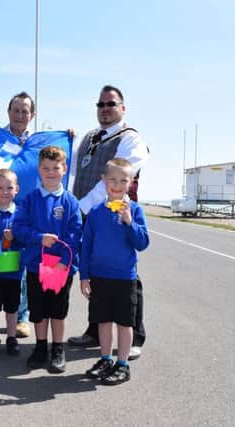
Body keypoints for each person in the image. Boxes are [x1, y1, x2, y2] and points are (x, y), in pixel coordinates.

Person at [68, 85, 150, 360]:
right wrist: (69, 141)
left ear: (122, 108)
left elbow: (115, 179)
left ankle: (135, 335)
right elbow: (74, 169)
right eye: (100, 104)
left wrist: (81, 206)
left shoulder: (131, 139)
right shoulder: (89, 137)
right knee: (97, 272)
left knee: (127, 276)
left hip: (115, 214)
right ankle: (95, 331)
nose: (105, 109)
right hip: (87, 214)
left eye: (111, 104)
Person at [13, 146, 82, 373]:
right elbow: (19, 228)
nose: (51, 172)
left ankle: (58, 348)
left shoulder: (71, 202)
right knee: (39, 310)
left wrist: (65, 262)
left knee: (58, 310)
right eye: (45, 168)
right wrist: (39, 238)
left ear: (64, 170)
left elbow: (74, 234)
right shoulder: (31, 199)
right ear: (39, 170)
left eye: (56, 168)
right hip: (36, 265)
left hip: (61, 268)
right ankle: (41, 347)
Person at [81, 158, 149, 385]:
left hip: (124, 278)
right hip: (100, 277)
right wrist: (84, 276)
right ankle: (105, 358)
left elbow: (142, 243)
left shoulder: (135, 210)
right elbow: (86, 245)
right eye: (112, 179)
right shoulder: (96, 212)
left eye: (123, 180)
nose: (117, 185)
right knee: (103, 321)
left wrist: (130, 222)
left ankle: (122, 364)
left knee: (124, 323)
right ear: (103, 181)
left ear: (131, 183)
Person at [4, 91, 35, 339]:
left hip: (24, 214)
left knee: (21, 267)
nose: (20, 115)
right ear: (8, 112)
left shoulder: (37, 145)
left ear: (31, 116)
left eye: (25, 111)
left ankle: (22, 317)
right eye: (16, 109)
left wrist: (68, 137)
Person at [0, 169, 23, 357]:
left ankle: (11, 337)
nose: (5, 191)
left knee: (12, 306)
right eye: (0, 188)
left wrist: (15, 237)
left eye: (9, 187)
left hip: (14, 270)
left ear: (17, 189)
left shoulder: (21, 213)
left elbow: (25, 238)